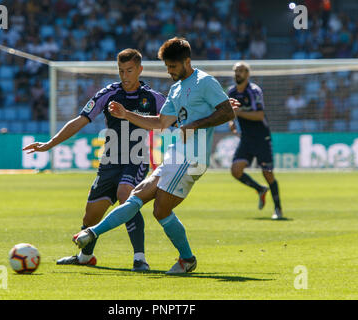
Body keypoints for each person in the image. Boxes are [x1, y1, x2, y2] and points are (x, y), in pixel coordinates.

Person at [74, 38, 236, 274]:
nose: (169, 71)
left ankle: (93, 233)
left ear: (187, 61)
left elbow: (227, 112)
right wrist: (127, 114)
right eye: (167, 67)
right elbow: (160, 122)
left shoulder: (204, 82)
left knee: (157, 208)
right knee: (140, 198)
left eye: (173, 66)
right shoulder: (176, 88)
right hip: (177, 154)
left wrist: (196, 125)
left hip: (193, 157)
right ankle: (93, 234)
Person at [23, 49, 166, 271]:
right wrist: (49, 144)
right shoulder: (108, 93)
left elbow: (171, 119)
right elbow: (80, 121)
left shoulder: (153, 98)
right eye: (121, 71)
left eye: (129, 70)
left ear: (140, 70)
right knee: (91, 214)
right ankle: (85, 257)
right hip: (110, 160)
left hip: (136, 159)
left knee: (125, 194)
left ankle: (140, 258)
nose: (125, 76)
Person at [227, 61, 283, 220]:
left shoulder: (254, 91)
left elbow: (259, 115)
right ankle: (260, 189)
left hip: (261, 137)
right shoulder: (231, 92)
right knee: (235, 170)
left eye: (241, 71)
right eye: (236, 71)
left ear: (248, 74)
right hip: (246, 138)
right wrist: (231, 122)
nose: (238, 73)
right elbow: (230, 112)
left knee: (268, 174)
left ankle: (278, 209)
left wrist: (238, 114)